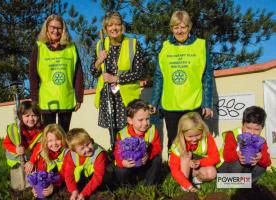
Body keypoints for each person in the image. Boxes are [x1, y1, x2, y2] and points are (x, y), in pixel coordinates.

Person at [149, 10, 214, 149]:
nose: (179, 31)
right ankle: (175, 170)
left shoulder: (201, 45)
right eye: (176, 27)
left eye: (183, 27)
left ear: (189, 27)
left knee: (195, 140)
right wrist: (154, 101)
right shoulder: (165, 46)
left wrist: (207, 103)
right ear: (172, 28)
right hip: (170, 104)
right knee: (174, 141)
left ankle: (196, 170)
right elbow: (159, 76)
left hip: (194, 103)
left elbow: (207, 76)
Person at [91, 12, 145, 146]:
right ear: (105, 29)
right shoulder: (100, 45)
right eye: (110, 25)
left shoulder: (133, 44)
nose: (114, 28)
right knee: (113, 134)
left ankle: (132, 161)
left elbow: (139, 72)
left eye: (117, 24)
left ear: (122, 26)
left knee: (130, 132)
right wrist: (99, 61)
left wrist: (116, 78)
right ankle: (116, 160)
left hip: (126, 98)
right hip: (108, 96)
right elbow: (93, 72)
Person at [29, 14, 84, 133]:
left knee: (63, 134)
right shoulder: (39, 47)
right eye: (52, 27)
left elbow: (78, 73)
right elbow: (33, 75)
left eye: (59, 28)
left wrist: (79, 97)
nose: (56, 30)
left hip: (66, 97)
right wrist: (34, 98)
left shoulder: (71, 48)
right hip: (46, 99)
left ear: (63, 30)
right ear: (47, 28)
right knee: (49, 134)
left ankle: (64, 152)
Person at [114, 99, 162, 185]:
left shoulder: (152, 129)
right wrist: (123, 163)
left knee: (157, 160)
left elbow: (157, 147)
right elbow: (117, 153)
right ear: (130, 120)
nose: (145, 123)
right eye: (140, 120)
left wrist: (149, 155)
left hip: (145, 163)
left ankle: (149, 185)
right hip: (130, 166)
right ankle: (128, 187)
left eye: (147, 119)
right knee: (120, 170)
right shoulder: (122, 134)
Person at [218, 106, 271, 182]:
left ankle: (245, 183)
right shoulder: (232, 135)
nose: (252, 132)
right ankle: (229, 181)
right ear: (243, 125)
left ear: (262, 128)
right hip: (225, 167)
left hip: (243, 169)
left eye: (256, 129)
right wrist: (237, 155)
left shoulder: (261, 141)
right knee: (238, 163)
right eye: (248, 128)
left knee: (262, 167)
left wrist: (261, 157)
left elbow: (268, 162)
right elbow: (227, 156)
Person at [169, 112, 220, 192]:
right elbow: (174, 170)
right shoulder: (177, 145)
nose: (194, 139)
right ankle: (185, 187)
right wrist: (188, 186)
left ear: (202, 131)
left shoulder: (207, 138)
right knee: (186, 155)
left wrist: (199, 162)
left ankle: (196, 181)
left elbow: (216, 158)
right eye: (190, 136)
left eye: (197, 135)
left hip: (196, 169)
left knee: (212, 172)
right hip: (182, 172)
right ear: (182, 133)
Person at [25, 124, 69, 198]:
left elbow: (65, 173)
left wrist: (54, 186)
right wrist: (36, 187)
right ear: (45, 141)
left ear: (63, 139)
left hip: (61, 182)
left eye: (58, 139)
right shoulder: (42, 153)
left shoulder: (67, 153)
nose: (54, 143)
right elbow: (40, 173)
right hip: (47, 181)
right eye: (50, 141)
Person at [64, 128, 107, 200]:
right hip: (87, 176)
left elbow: (98, 177)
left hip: (101, 176)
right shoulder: (71, 155)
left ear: (91, 140)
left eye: (88, 144)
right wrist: (73, 191)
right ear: (74, 151)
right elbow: (68, 175)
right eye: (82, 148)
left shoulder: (99, 154)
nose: (87, 149)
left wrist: (84, 193)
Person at [3, 100, 43, 168]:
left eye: (34, 115)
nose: (31, 119)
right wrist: (15, 149)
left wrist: (31, 161)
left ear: (38, 117)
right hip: (15, 161)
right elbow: (6, 144)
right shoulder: (14, 130)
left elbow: (38, 148)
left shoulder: (41, 131)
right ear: (21, 117)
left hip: (31, 160)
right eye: (27, 116)